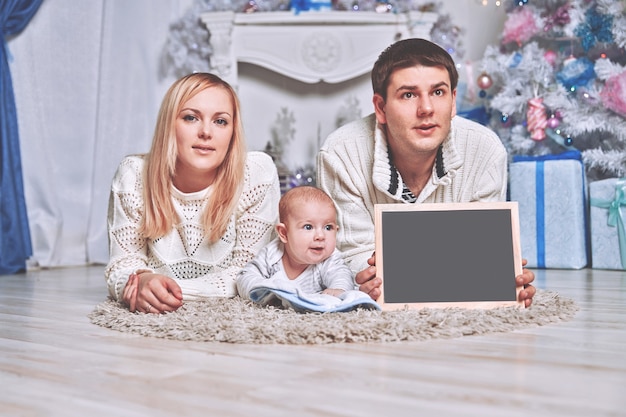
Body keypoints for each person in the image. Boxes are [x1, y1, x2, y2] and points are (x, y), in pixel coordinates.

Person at [317, 38, 537, 307]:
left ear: (454, 101)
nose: (427, 109)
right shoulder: (341, 153)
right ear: (381, 107)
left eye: (438, 92)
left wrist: (501, 274)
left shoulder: (485, 149)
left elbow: (481, 254)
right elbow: (353, 252)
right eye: (408, 95)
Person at [105, 72, 280, 314]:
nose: (206, 132)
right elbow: (122, 265)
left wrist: (168, 290)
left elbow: (248, 273)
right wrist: (139, 280)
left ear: (232, 131)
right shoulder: (133, 174)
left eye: (220, 121)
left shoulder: (256, 173)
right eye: (191, 118)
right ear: (169, 125)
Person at [236, 185, 355, 300]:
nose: (320, 236)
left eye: (328, 228)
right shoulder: (271, 254)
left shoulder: (329, 259)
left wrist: (338, 289)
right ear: (283, 233)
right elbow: (245, 276)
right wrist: (263, 289)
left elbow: (342, 275)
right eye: (308, 227)